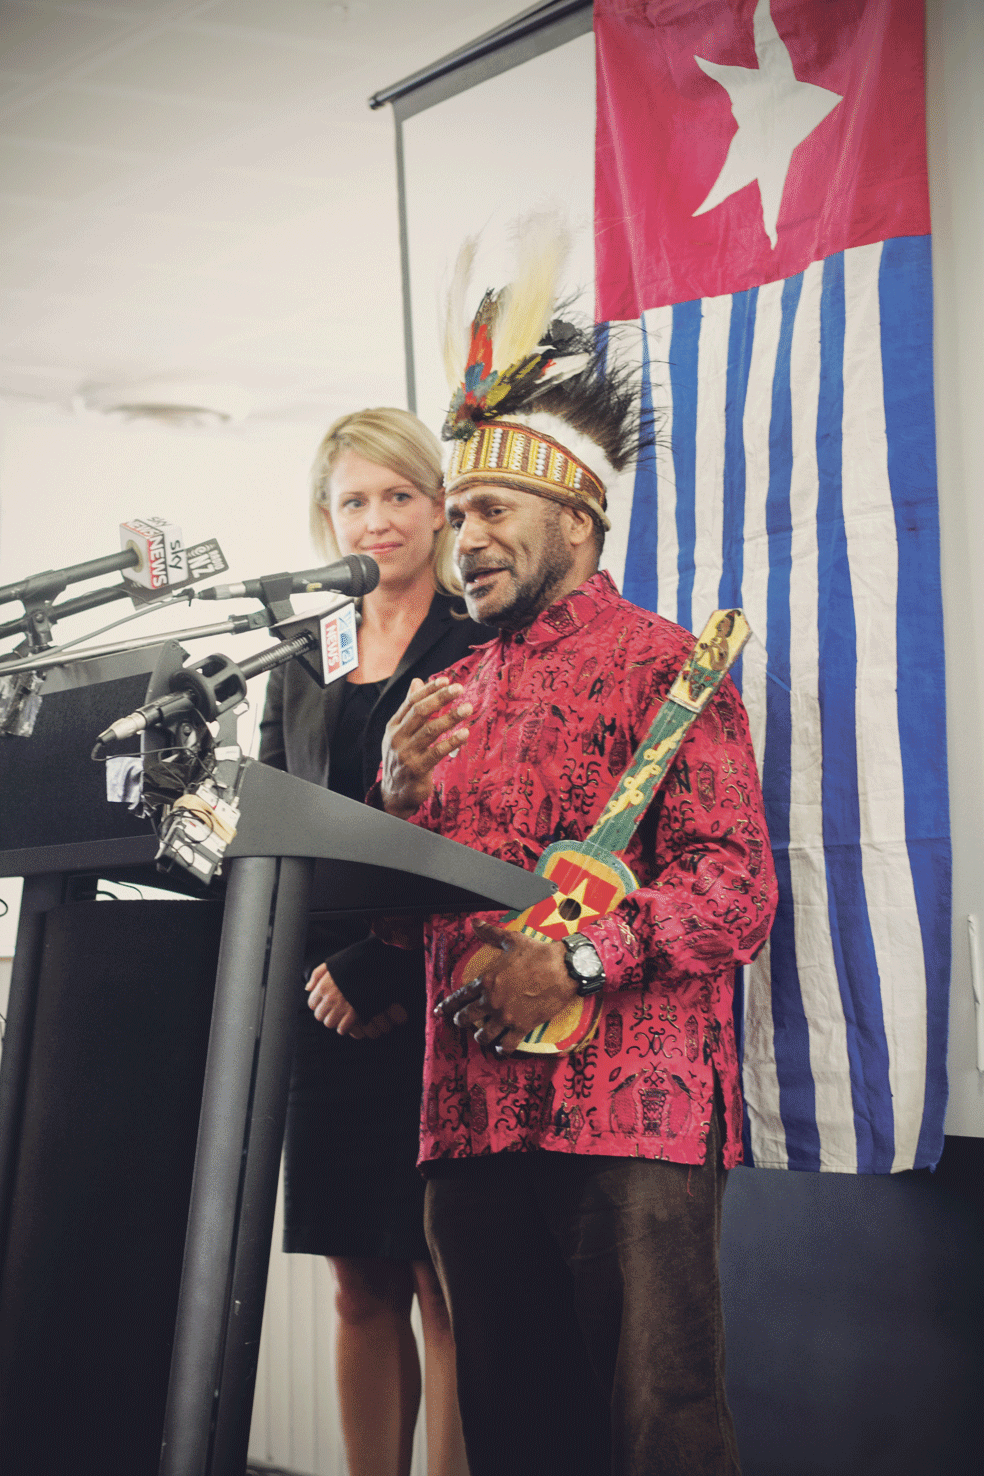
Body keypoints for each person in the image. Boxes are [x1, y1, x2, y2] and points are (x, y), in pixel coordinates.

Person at [372, 240, 780, 1476]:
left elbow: (736, 885)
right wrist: (394, 803)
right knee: (511, 1439)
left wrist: (585, 958)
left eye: (493, 511)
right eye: (459, 516)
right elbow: (409, 927)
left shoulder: (668, 663)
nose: (466, 540)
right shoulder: (435, 693)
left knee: (660, 1429)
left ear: (577, 515)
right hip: (467, 1119)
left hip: (633, 1119)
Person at [259, 407, 484, 1476]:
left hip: (440, 992)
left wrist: (389, 960)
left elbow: (493, 824)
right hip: (318, 998)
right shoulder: (302, 658)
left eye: (399, 495)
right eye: (354, 500)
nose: (378, 518)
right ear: (327, 520)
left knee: (447, 1282)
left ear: (439, 508)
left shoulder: (481, 636)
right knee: (359, 1286)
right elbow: (281, 822)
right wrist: (319, 968)